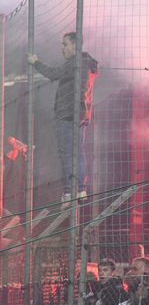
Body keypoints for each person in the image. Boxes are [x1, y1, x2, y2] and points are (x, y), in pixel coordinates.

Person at [27, 32, 98, 204]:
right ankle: (80, 190)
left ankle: (69, 192)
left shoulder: (75, 63)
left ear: (75, 45)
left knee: (66, 154)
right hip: (81, 114)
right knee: (78, 153)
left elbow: (53, 73)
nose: (62, 48)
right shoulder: (87, 64)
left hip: (67, 115)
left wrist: (35, 62)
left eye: (65, 44)